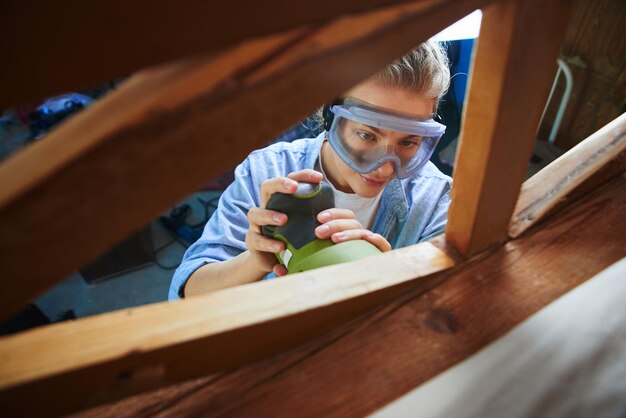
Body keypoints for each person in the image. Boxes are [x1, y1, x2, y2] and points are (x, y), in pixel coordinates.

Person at [169, 41, 452, 299]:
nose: (386, 167)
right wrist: (255, 260)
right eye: (367, 135)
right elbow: (186, 294)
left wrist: (388, 274)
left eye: (409, 142)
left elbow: (438, 313)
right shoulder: (267, 170)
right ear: (331, 117)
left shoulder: (437, 198)